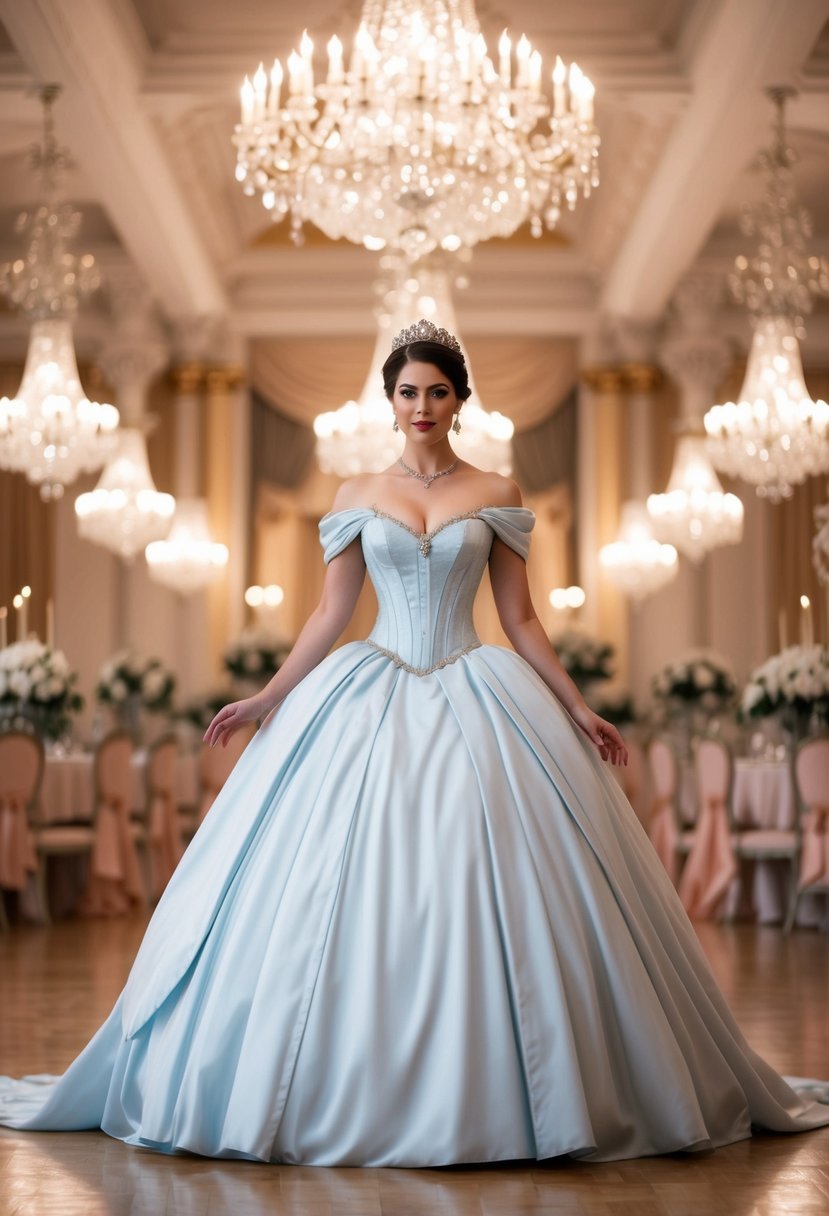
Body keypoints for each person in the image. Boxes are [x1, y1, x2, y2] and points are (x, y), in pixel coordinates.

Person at [0, 318, 826, 1166]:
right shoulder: (355, 494)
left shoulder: (496, 488)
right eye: (407, 392)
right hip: (372, 681)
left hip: (478, 680)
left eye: (436, 391)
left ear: (459, 400)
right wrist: (268, 698)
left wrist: (575, 706)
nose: (421, 406)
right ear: (388, 402)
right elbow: (329, 613)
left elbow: (520, 617)